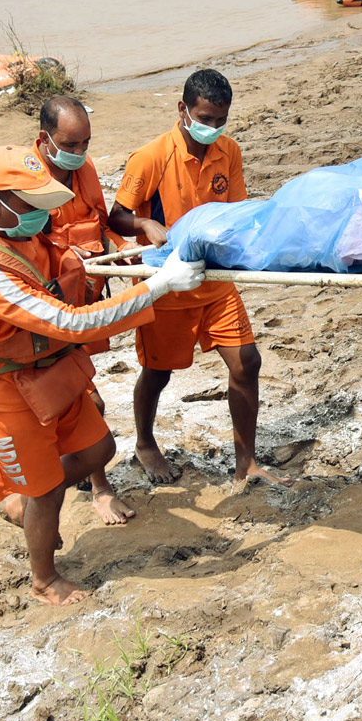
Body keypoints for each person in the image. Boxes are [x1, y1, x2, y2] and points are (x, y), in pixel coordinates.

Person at [0, 145, 204, 605]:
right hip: (3, 389)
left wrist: (131, 260)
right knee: (49, 489)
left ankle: (27, 498)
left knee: (100, 447)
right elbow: (71, 322)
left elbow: (64, 259)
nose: (42, 215)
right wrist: (157, 286)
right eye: (31, 205)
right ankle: (44, 579)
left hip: (47, 369)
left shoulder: (10, 222)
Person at [108, 69, 286, 488]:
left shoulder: (229, 152)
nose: (212, 129)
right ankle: (145, 442)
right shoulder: (150, 158)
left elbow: (238, 212)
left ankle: (247, 463)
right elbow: (116, 214)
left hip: (215, 281)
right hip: (167, 283)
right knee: (159, 371)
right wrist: (144, 224)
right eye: (204, 119)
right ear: (183, 110)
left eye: (220, 121)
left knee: (247, 362)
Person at [34, 95, 135, 525]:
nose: (78, 154)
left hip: (87, 299)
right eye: (69, 145)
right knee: (85, 401)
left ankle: (73, 480)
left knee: (83, 399)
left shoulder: (84, 170)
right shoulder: (23, 182)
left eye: (85, 145)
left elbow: (101, 224)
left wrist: (124, 253)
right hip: (49, 310)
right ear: (44, 139)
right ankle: (95, 487)